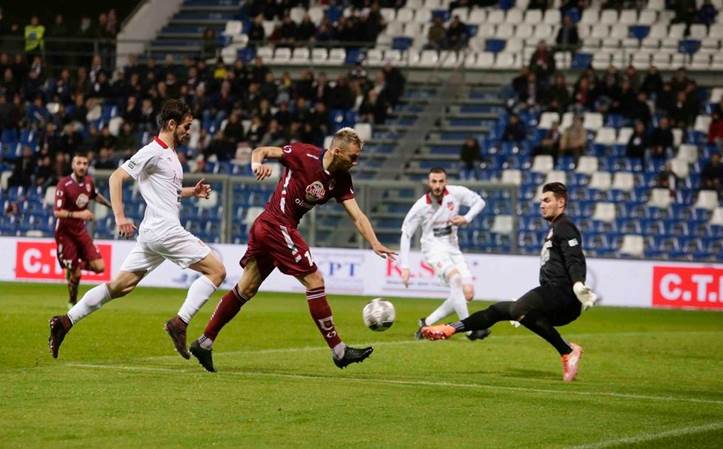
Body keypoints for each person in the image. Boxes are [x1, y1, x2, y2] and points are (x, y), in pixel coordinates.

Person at [188, 128, 396, 372]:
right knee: (315, 280)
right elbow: (262, 150)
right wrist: (256, 164)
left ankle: (204, 342)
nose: (356, 162)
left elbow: (357, 215)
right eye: (353, 156)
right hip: (276, 224)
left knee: (246, 288)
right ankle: (339, 351)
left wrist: (374, 242)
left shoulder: (341, 179)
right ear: (337, 151)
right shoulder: (304, 154)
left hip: (272, 228)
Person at [48, 99, 227, 360]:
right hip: (165, 230)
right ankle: (180, 323)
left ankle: (65, 321)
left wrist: (192, 192)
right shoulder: (153, 150)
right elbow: (116, 177)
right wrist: (120, 216)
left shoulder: (170, 155)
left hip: (152, 233)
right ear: (172, 124)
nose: (189, 132)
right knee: (217, 271)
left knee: (120, 286)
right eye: (186, 126)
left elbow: (169, 191)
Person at [420, 182, 599, 383]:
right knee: (498, 310)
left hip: (563, 296)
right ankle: (451, 328)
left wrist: (578, 284)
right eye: (541, 201)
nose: (542, 205)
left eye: (547, 200)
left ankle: (566, 351)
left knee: (518, 309)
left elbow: (574, 259)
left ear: (561, 202)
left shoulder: (565, 226)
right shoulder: (556, 228)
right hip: (552, 295)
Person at [399, 168, 490, 341]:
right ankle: (469, 330)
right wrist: (404, 266)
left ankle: (427, 322)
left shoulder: (456, 193)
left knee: (467, 294)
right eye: (434, 181)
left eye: (441, 181)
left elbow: (480, 202)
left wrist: (466, 218)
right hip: (433, 250)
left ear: (445, 182)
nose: (437, 185)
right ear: (429, 183)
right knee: (455, 279)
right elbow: (406, 233)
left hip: (453, 249)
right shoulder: (421, 206)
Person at [53, 151, 112, 308]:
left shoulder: (88, 182)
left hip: (80, 231)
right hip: (65, 233)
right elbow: (57, 212)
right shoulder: (64, 184)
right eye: (78, 163)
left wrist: (111, 205)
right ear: (73, 165)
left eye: (85, 163)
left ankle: (74, 265)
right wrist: (80, 214)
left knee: (100, 267)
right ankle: (72, 301)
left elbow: (95, 195)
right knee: (76, 275)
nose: (82, 166)